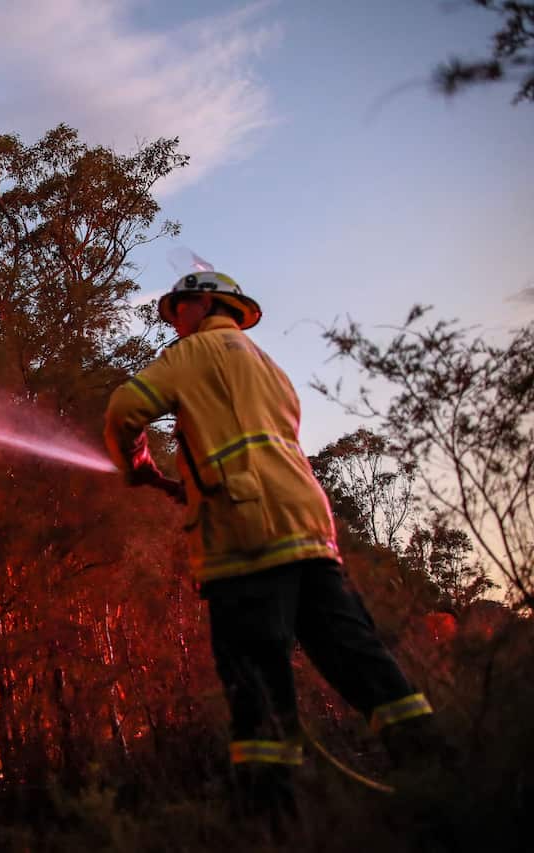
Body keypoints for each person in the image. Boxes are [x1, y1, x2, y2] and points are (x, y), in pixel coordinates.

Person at [103, 269, 435, 828]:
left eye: (177, 310)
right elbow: (241, 441)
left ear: (204, 303)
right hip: (308, 527)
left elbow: (123, 411)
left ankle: (269, 825)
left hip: (245, 537)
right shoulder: (267, 365)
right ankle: (443, 778)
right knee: (361, 662)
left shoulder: (195, 353)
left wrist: (138, 467)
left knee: (257, 687)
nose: (173, 322)